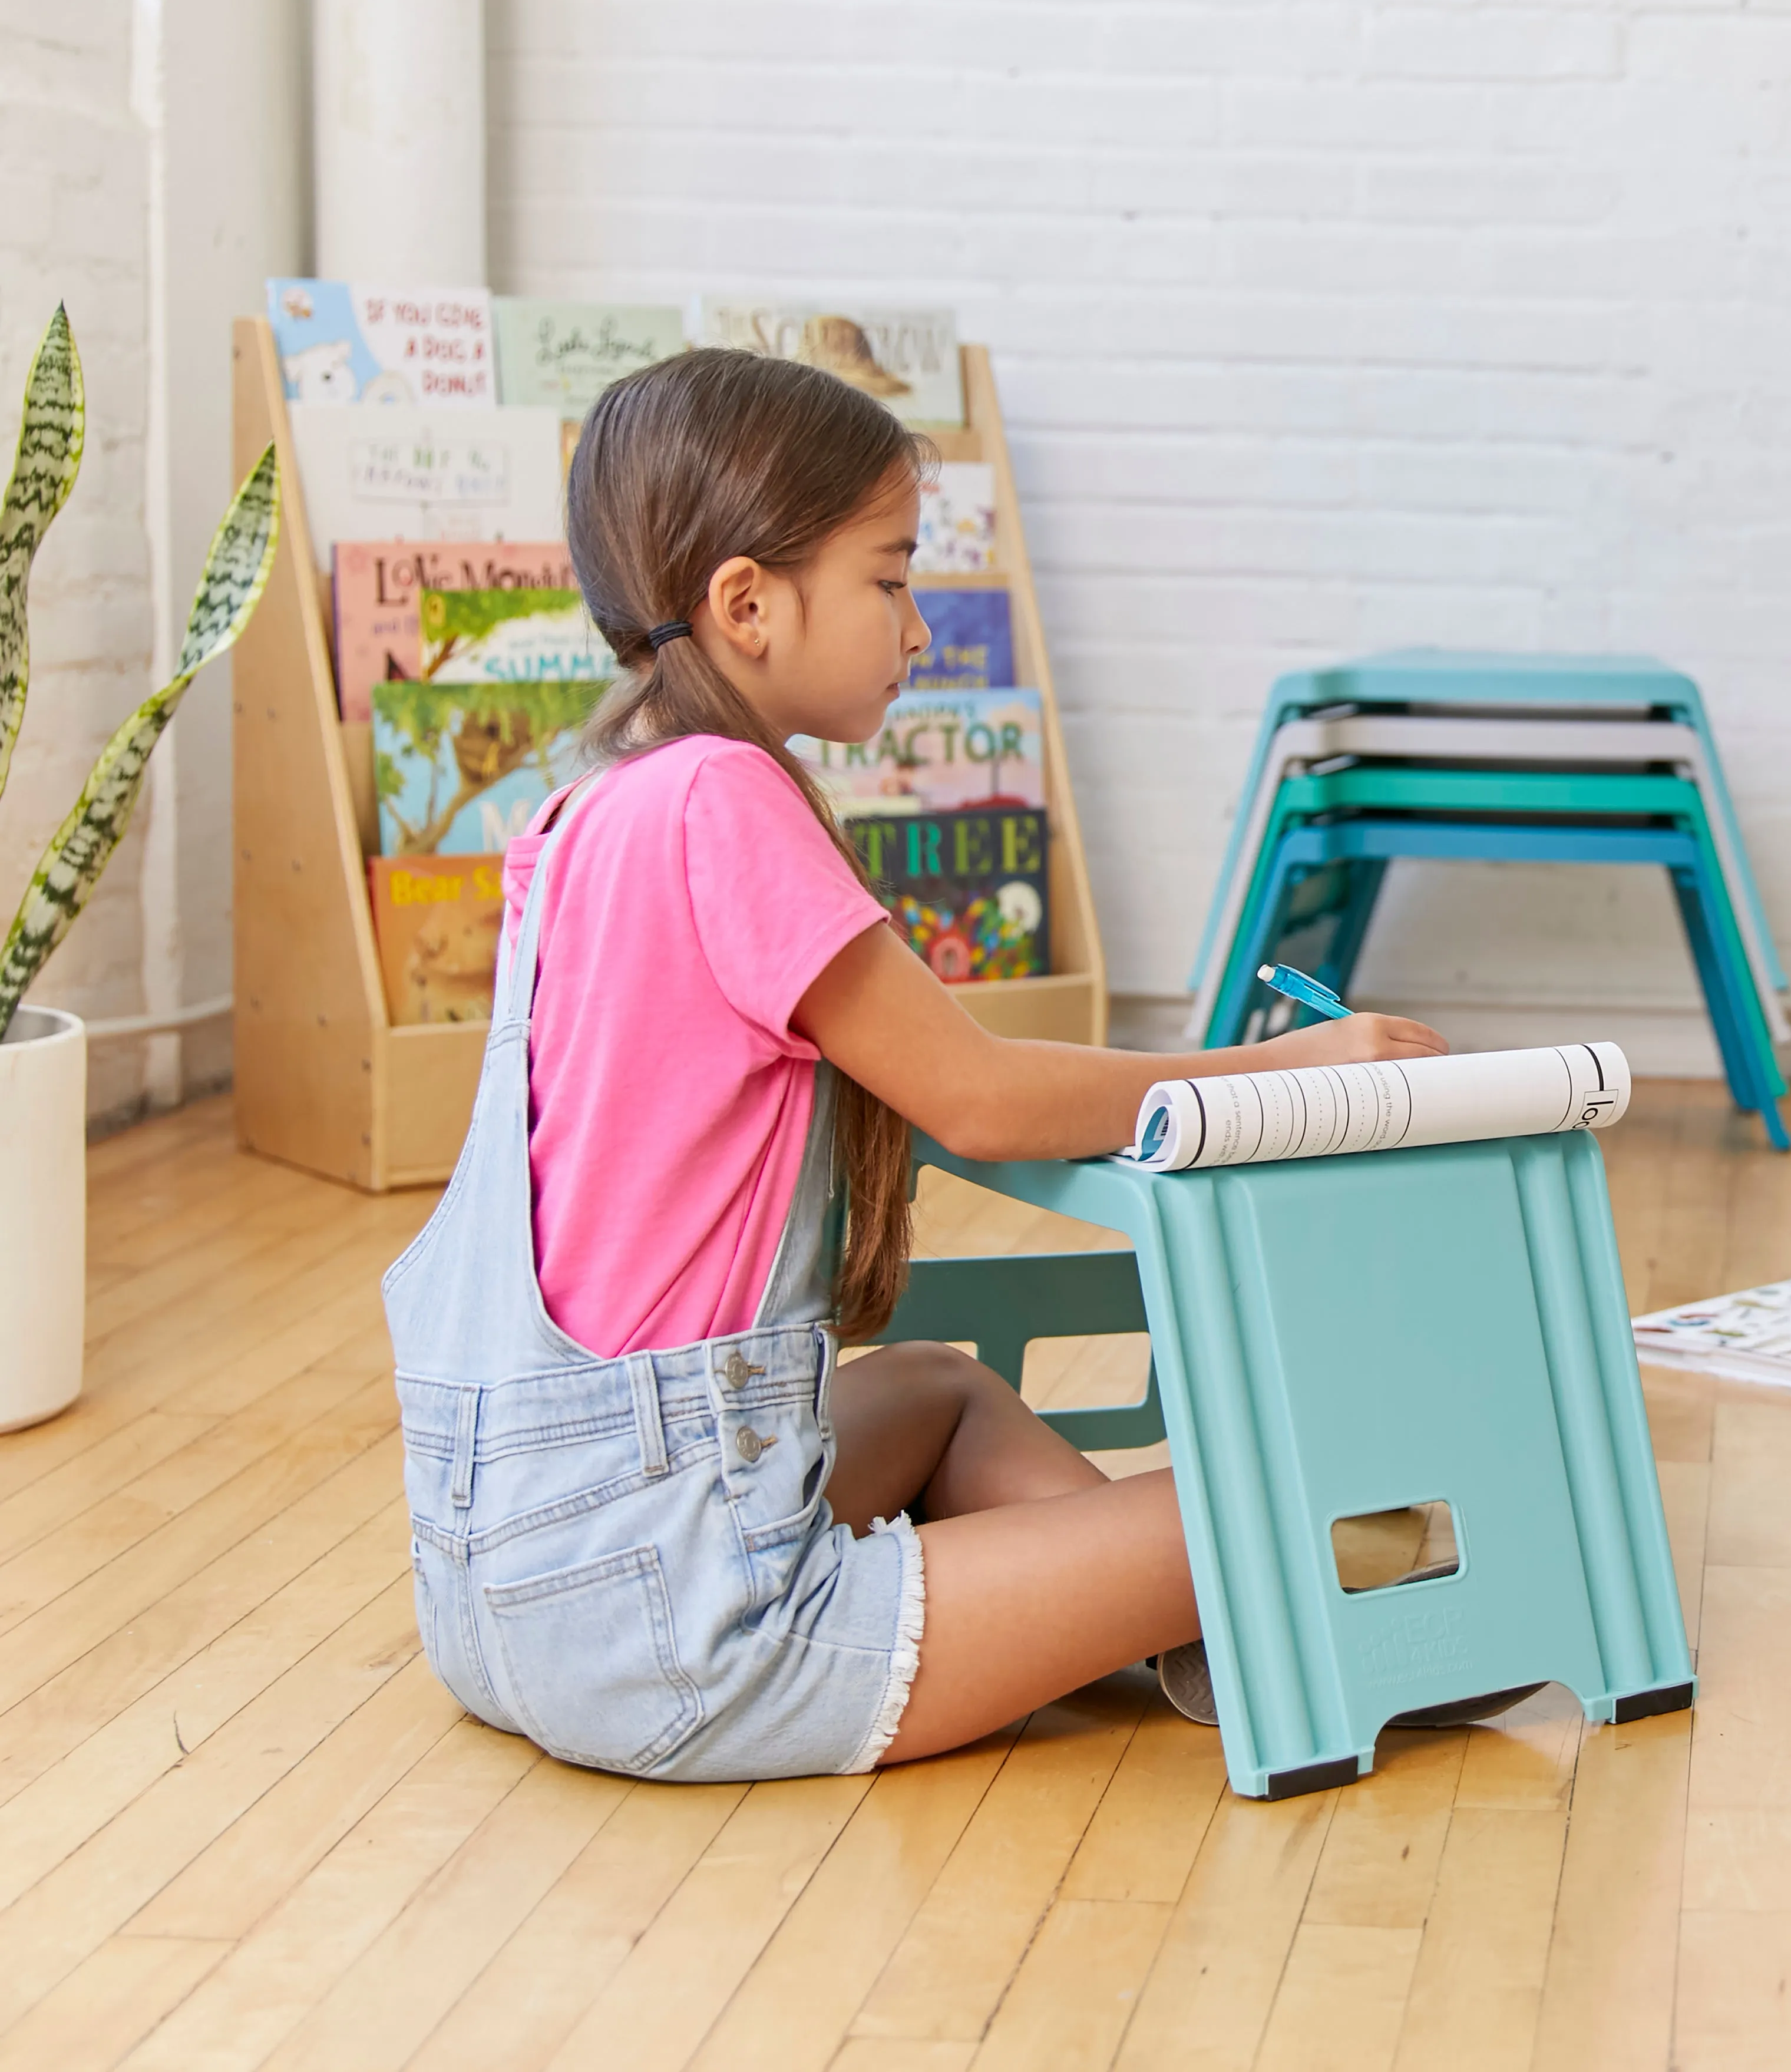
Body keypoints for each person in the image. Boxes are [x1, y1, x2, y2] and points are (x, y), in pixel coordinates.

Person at [382, 347, 1454, 1781]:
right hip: (687, 1622)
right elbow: (980, 1095)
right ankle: (1286, 1611)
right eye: (889, 578)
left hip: (509, 1577)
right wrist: (1284, 1067)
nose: (918, 626)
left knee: (944, 1389)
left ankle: (1184, 1636)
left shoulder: (586, 815)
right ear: (747, 602)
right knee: (1298, 1502)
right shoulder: (724, 795)